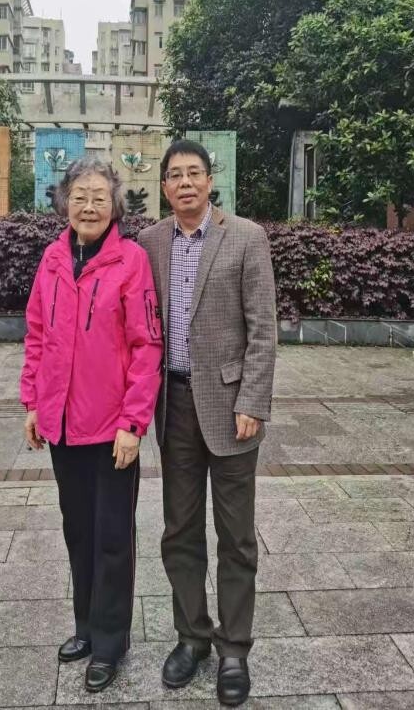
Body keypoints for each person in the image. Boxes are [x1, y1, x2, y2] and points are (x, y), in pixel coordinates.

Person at [138, 139, 276, 707]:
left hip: (231, 406)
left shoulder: (245, 237)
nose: (186, 183)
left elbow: (263, 329)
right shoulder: (149, 242)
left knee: (236, 536)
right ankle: (192, 636)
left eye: (194, 173)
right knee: (180, 530)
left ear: (209, 181)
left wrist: (253, 402)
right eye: (175, 175)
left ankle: (234, 648)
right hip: (173, 407)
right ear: (164, 186)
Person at [20, 158, 163, 693]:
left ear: (115, 205)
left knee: (112, 537)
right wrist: (33, 403)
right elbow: (37, 333)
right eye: (79, 196)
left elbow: (147, 346)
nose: (88, 206)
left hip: (111, 429)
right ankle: (85, 625)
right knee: (78, 530)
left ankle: (108, 642)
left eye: (99, 197)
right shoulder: (53, 258)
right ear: (64, 202)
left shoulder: (131, 261)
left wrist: (133, 422)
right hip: (61, 424)